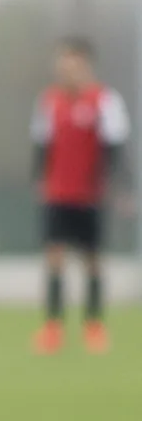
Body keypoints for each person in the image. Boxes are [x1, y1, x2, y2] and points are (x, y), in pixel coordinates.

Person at [31, 36, 132, 354]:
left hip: (90, 195)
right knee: (54, 258)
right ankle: (53, 328)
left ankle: (94, 326)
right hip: (57, 193)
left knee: (92, 261)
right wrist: (39, 180)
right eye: (62, 62)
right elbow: (41, 146)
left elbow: (115, 147)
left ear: (86, 65)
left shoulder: (104, 100)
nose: (66, 69)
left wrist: (115, 185)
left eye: (73, 62)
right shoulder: (49, 101)